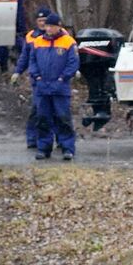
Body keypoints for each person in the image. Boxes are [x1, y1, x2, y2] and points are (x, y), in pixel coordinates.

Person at [24, 11, 79, 160]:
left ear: (58, 27)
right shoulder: (38, 41)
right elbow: (32, 62)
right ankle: (43, 148)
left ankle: (67, 148)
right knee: (42, 118)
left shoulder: (68, 42)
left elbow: (73, 64)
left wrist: (62, 78)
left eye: (51, 26)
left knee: (63, 118)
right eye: (47, 26)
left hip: (60, 88)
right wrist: (37, 77)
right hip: (42, 87)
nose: (48, 29)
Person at [11, 7, 54, 149]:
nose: (42, 23)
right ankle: (32, 139)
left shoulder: (59, 34)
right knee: (37, 109)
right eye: (39, 20)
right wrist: (18, 72)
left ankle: (60, 140)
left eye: (44, 20)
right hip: (37, 79)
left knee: (58, 111)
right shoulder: (31, 36)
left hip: (56, 78)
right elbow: (25, 57)